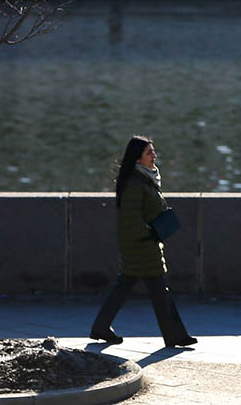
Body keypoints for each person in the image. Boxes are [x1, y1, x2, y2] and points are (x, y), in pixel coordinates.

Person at [90, 135, 197, 348]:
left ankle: (101, 328)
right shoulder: (135, 183)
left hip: (141, 243)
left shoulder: (143, 178)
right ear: (137, 159)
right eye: (149, 152)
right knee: (158, 290)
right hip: (142, 245)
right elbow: (130, 217)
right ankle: (175, 335)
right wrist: (150, 233)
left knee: (127, 287)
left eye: (153, 151)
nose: (154, 155)